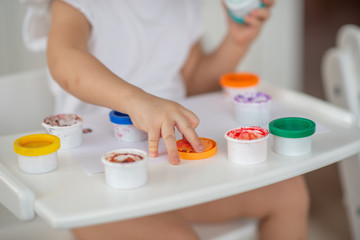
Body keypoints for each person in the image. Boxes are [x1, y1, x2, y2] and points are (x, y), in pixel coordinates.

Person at [24, 0, 309, 239]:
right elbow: (65, 59)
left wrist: (235, 42)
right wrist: (134, 100)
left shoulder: (181, 5)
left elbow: (193, 82)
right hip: (96, 185)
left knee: (289, 192)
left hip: (172, 169)